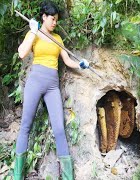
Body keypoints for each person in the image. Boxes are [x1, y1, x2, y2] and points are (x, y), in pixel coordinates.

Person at [14, 1, 89, 180]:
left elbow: (67, 60)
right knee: (25, 126)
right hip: (35, 81)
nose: (55, 22)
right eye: (52, 19)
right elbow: (22, 53)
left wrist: (80, 64)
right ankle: (17, 175)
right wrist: (32, 31)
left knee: (60, 129)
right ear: (44, 17)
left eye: (56, 20)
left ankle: (68, 176)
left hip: (52, 86)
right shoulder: (34, 33)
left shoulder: (58, 39)